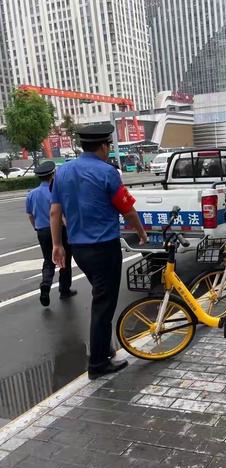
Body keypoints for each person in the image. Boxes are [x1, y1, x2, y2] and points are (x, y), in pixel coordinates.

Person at [50, 125, 148, 380]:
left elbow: (54, 212)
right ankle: (98, 363)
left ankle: (104, 347)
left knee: (100, 297)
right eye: (108, 146)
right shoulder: (107, 172)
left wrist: (57, 245)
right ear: (104, 146)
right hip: (104, 248)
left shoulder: (63, 172)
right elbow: (127, 210)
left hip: (79, 249)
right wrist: (141, 233)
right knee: (104, 304)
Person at [26, 161, 76, 307]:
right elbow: (61, 214)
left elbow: (30, 215)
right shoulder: (56, 191)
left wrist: (36, 228)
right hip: (59, 229)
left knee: (48, 260)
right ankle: (64, 290)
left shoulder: (32, 194)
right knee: (64, 259)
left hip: (41, 231)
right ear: (53, 174)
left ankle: (46, 285)